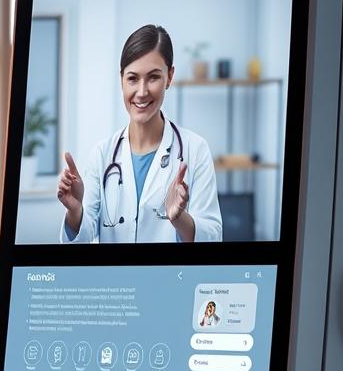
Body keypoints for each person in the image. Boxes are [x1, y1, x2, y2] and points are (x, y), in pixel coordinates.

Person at [57, 24, 223, 243]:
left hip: (173, 277)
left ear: (170, 76)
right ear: (121, 79)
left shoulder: (195, 150)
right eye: (133, 79)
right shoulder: (102, 154)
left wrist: (179, 217)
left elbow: (212, 237)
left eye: (153, 77)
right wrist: (75, 211)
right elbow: (83, 239)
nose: (142, 92)